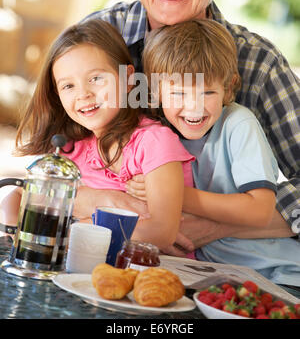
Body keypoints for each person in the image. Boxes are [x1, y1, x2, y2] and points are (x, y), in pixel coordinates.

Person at [81, 0, 300, 251]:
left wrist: (216, 227)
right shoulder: (101, 39)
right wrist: (104, 201)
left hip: (216, 262)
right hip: (106, 241)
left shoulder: (256, 63)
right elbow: (49, 158)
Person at [3, 19, 195, 250]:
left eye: (95, 78)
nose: (83, 94)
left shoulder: (154, 142)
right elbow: (17, 197)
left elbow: (161, 232)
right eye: (68, 86)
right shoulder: (73, 149)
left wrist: (71, 225)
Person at [136, 19, 300, 288]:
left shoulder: (239, 124)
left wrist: (174, 194)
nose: (194, 107)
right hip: (215, 275)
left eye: (208, 92)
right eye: (178, 93)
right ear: (155, 92)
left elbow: (260, 209)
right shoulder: (157, 133)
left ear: (228, 87)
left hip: (277, 274)